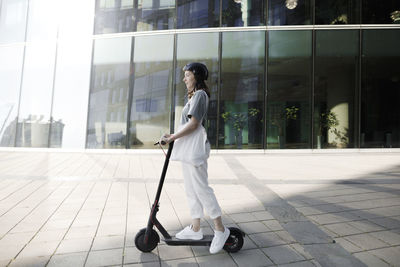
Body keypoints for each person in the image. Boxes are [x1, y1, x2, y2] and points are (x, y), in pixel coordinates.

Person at [161, 62, 230, 254]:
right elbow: (186, 125)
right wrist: (171, 135)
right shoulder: (193, 97)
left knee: (202, 189)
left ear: (197, 77)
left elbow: (194, 124)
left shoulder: (200, 95)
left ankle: (221, 230)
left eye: (188, 75)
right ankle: (195, 228)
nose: (184, 79)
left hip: (195, 151)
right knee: (191, 189)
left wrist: (174, 137)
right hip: (188, 150)